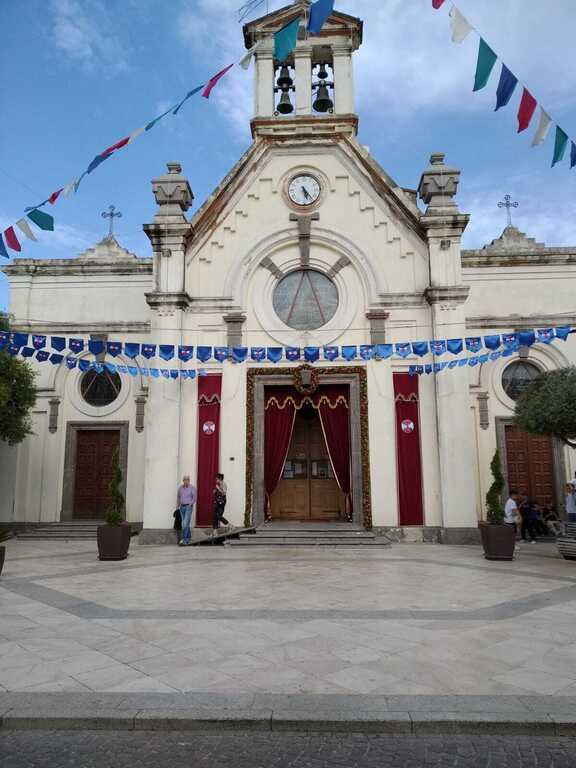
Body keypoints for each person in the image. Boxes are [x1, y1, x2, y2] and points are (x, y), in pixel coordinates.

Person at [176, 475, 197, 546]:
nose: (186, 481)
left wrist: (190, 504)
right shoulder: (180, 488)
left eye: (187, 480)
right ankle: (188, 537)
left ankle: (184, 540)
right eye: (184, 480)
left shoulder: (192, 488)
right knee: (185, 523)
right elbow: (178, 498)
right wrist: (177, 507)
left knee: (184, 523)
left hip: (188, 507)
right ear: (183, 481)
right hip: (181, 507)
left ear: (189, 480)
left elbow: (194, 498)